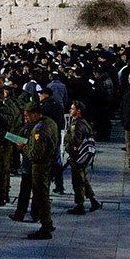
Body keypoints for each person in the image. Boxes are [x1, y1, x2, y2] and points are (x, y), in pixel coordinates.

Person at [19, 102, 58, 240]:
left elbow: (35, 155)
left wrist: (22, 148)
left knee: (40, 195)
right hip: (49, 163)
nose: (26, 119)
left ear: (35, 114)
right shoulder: (50, 122)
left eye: (27, 116)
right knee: (44, 194)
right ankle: (48, 222)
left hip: (40, 167)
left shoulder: (38, 129)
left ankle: (45, 226)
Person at [63, 101, 101, 215]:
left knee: (78, 181)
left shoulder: (76, 125)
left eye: (72, 108)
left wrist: (70, 153)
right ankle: (94, 201)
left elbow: (75, 142)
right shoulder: (85, 122)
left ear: (78, 111)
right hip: (84, 156)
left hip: (77, 157)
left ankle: (80, 205)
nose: (70, 110)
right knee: (83, 179)